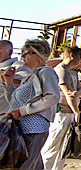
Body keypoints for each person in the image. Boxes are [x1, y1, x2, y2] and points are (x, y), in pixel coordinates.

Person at [2, 39, 60, 169]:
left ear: (37, 54)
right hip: (23, 128)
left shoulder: (46, 72)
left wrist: (23, 111)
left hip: (34, 128)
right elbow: (14, 102)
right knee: (32, 165)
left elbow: (52, 97)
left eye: (26, 53)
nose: (22, 56)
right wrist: (9, 83)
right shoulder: (29, 77)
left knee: (23, 166)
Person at [41, 46, 81, 170]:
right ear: (72, 55)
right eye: (79, 56)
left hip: (69, 113)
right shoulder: (61, 70)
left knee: (64, 149)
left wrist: (78, 93)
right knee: (52, 147)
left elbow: (80, 90)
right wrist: (76, 111)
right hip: (62, 113)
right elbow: (68, 93)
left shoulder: (73, 73)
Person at [0, 40, 30, 114]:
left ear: (10, 52)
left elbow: (25, 83)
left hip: (4, 116)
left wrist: (6, 78)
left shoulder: (18, 66)